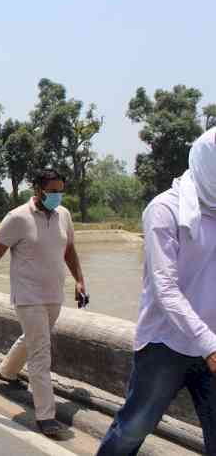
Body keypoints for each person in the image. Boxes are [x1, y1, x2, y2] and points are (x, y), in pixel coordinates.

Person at [97, 129, 216, 455]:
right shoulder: (165, 210)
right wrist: (208, 344)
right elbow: (165, 288)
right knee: (133, 427)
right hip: (167, 344)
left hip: (212, 346)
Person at [0, 169, 86, 437]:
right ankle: (46, 415)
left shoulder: (63, 216)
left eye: (60, 191)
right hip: (27, 296)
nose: (57, 195)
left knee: (33, 340)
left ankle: (6, 371)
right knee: (40, 352)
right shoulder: (18, 218)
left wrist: (79, 280)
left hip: (54, 294)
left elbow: (69, 250)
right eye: (52, 191)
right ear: (38, 189)